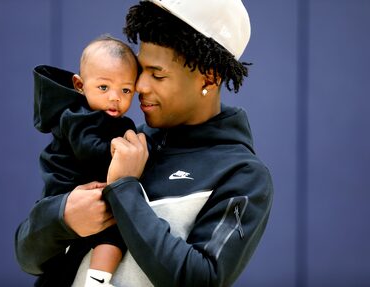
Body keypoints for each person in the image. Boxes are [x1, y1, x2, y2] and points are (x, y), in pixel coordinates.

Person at [15, 0, 274, 286]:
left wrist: (125, 188)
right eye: (141, 71)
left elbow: (201, 280)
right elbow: (27, 255)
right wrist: (62, 217)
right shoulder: (119, 143)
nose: (139, 86)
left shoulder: (243, 175)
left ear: (209, 78)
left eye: (157, 74)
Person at [31, 35, 139, 286]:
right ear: (79, 85)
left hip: (92, 196)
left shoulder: (117, 122)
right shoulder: (78, 116)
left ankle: (96, 280)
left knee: (113, 235)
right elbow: (87, 150)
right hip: (66, 192)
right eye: (104, 87)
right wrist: (116, 150)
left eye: (126, 90)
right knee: (64, 258)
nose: (115, 97)